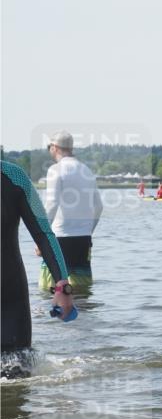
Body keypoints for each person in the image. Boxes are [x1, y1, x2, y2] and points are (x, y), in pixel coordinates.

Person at [2, 160, 77, 376]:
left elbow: (43, 232)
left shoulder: (15, 177)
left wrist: (63, 285)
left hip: (10, 300)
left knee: (17, 379)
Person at [38, 131, 103, 294]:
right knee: (82, 290)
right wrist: (89, 231)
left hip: (60, 238)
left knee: (50, 291)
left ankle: (54, 321)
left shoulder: (55, 170)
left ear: (54, 147)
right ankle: (83, 319)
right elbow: (99, 206)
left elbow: (52, 204)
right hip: (83, 238)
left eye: (49, 147)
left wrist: (41, 237)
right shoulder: (86, 170)